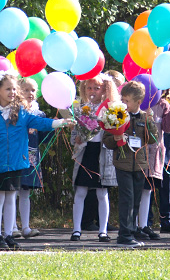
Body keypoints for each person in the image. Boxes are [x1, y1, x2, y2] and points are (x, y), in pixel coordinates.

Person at [0, 71, 74, 250]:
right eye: (7, 89)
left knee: (11, 198)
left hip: (18, 162)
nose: (12, 92)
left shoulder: (21, 113)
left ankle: (9, 234)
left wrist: (60, 123)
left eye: (14, 89)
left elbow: (39, 123)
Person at [103, 81, 160, 248]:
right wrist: (115, 139)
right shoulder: (116, 115)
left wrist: (150, 122)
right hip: (123, 164)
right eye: (123, 99)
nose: (123, 103)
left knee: (136, 200)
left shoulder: (144, 117)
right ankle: (124, 235)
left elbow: (154, 139)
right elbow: (107, 140)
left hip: (140, 164)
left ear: (138, 102)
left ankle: (132, 231)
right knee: (127, 199)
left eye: (127, 101)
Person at [68, 76, 118, 242]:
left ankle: (103, 231)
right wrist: (76, 139)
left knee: (102, 193)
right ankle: (76, 230)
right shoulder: (81, 108)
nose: (92, 91)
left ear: (104, 90)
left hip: (102, 154)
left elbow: (113, 132)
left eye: (96, 88)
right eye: (89, 88)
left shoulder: (109, 109)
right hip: (85, 152)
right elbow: (74, 134)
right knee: (80, 191)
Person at [135, 92, 170, 241]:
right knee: (136, 189)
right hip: (137, 151)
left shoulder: (163, 105)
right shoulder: (137, 101)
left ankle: (143, 225)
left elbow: (167, 128)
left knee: (148, 189)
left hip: (155, 154)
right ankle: (133, 225)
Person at [15, 77, 52, 238]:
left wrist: (53, 127)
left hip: (31, 158)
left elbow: (43, 138)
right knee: (12, 191)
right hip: (15, 156)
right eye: (26, 90)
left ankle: (26, 227)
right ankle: (12, 227)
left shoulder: (39, 114)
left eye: (33, 90)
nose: (30, 93)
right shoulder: (15, 112)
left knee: (25, 192)